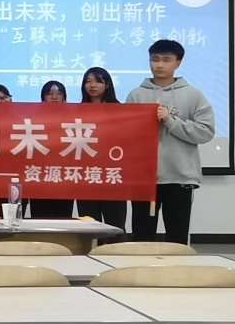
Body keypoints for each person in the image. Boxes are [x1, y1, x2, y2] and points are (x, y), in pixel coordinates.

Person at [126, 41, 215, 245]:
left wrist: (170, 120)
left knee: (177, 237)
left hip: (179, 177)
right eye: (155, 59)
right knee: (141, 238)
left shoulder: (193, 95)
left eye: (166, 60)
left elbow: (205, 132)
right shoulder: (136, 95)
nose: (159, 65)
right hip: (144, 179)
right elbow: (126, 135)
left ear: (178, 63)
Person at [75, 67, 128, 232]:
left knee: (115, 225)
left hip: (113, 176)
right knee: (88, 227)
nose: (92, 85)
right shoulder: (76, 112)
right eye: (88, 81)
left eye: (98, 81)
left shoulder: (121, 111)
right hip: (86, 177)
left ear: (108, 85)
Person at [30, 80, 74, 218]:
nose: (54, 97)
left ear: (65, 98)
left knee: (63, 218)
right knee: (39, 218)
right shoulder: (32, 120)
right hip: (38, 177)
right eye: (50, 94)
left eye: (59, 94)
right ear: (43, 99)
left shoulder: (74, 120)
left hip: (65, 177)